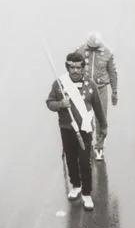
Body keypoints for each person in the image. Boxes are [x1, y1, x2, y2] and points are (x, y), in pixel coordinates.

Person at [46, 51, 108, 209]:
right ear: (67, 67)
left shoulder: (90, 84)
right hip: (66, 128)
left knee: (84, 161)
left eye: (78, 67)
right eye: (71, 67)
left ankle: (87, 193)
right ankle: (76, 185)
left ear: (83, 68)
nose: (74, 70)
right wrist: (60, 104)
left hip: (85, 129)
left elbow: (98, 107)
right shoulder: (59, 84)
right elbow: (49, 102)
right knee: (71, 158)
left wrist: (104, 126)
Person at [75, 32, 119, 161]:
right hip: (85, 88)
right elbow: (73, 70)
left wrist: (114, 91)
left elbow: (113, 73)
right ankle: (87, 145)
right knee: (85, 118)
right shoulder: (80, 50)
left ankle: (99, 147)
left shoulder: (107, 52)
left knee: (101, 118)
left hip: (101, 89)